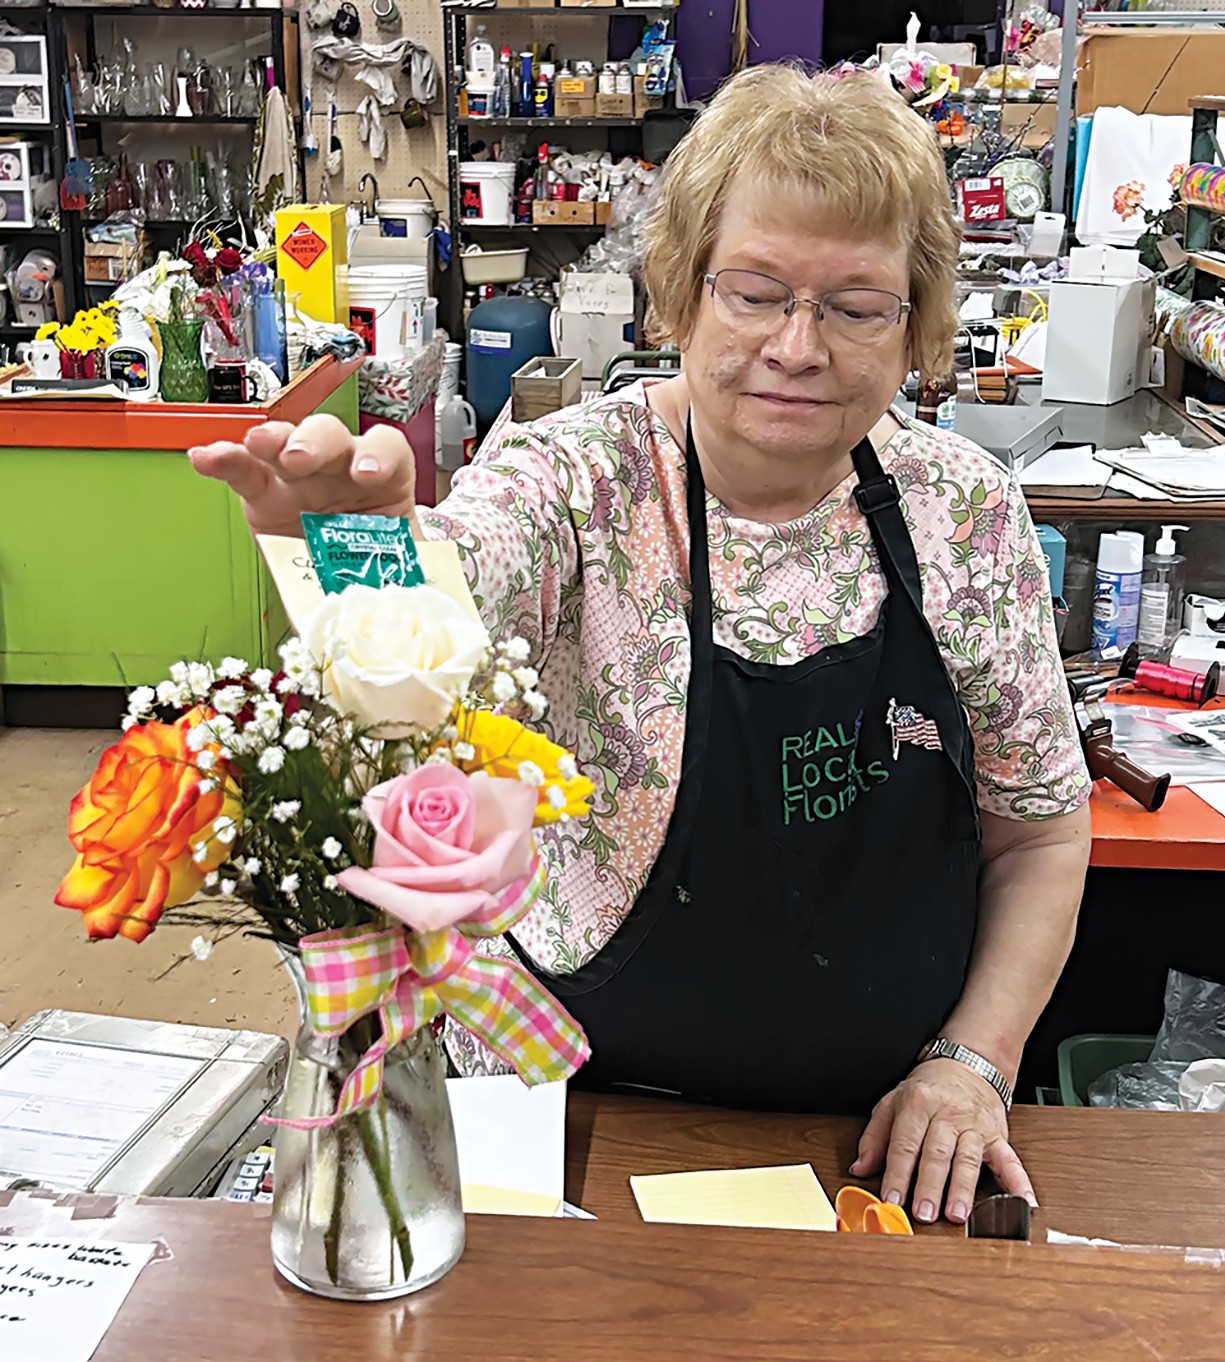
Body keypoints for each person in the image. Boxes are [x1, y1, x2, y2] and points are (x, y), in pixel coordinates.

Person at [192, 65, 1092, 1227]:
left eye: (857, 306)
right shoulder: (576, 478)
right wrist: (355, 559)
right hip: (573, 1122)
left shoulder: (963, 511)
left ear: (915, 327)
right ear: (680, 297)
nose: (799, 346)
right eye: (757, 292)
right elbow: (442, 606)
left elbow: (1041, 835)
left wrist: (973, 1067)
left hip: (876, 1147)